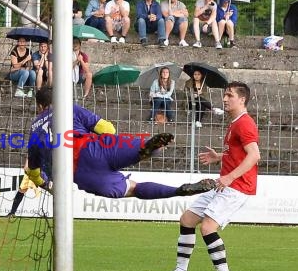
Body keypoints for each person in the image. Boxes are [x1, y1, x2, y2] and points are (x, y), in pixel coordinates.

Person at [151, 81, 260, 271]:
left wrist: (229, 177)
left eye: (230, 95)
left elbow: (254, 155)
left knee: (208, 226)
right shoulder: (235, 122)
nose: (225, 99)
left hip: (237, 187)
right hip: (225, 184)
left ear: (242, 99)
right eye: (225, 95)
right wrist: (219, 157)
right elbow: (239, 154)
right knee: (187, 219)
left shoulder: (245, 123)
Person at [24, 86, 216, 200]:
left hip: (80, 172)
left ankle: (178, 191)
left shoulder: (34, 129)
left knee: (133, 189)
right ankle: (146, 149)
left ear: (40, 106)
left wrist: (47, 185)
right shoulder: (69, 108)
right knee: (142, 147)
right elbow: (107, 129)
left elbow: (31, 171)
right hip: (95, 148)